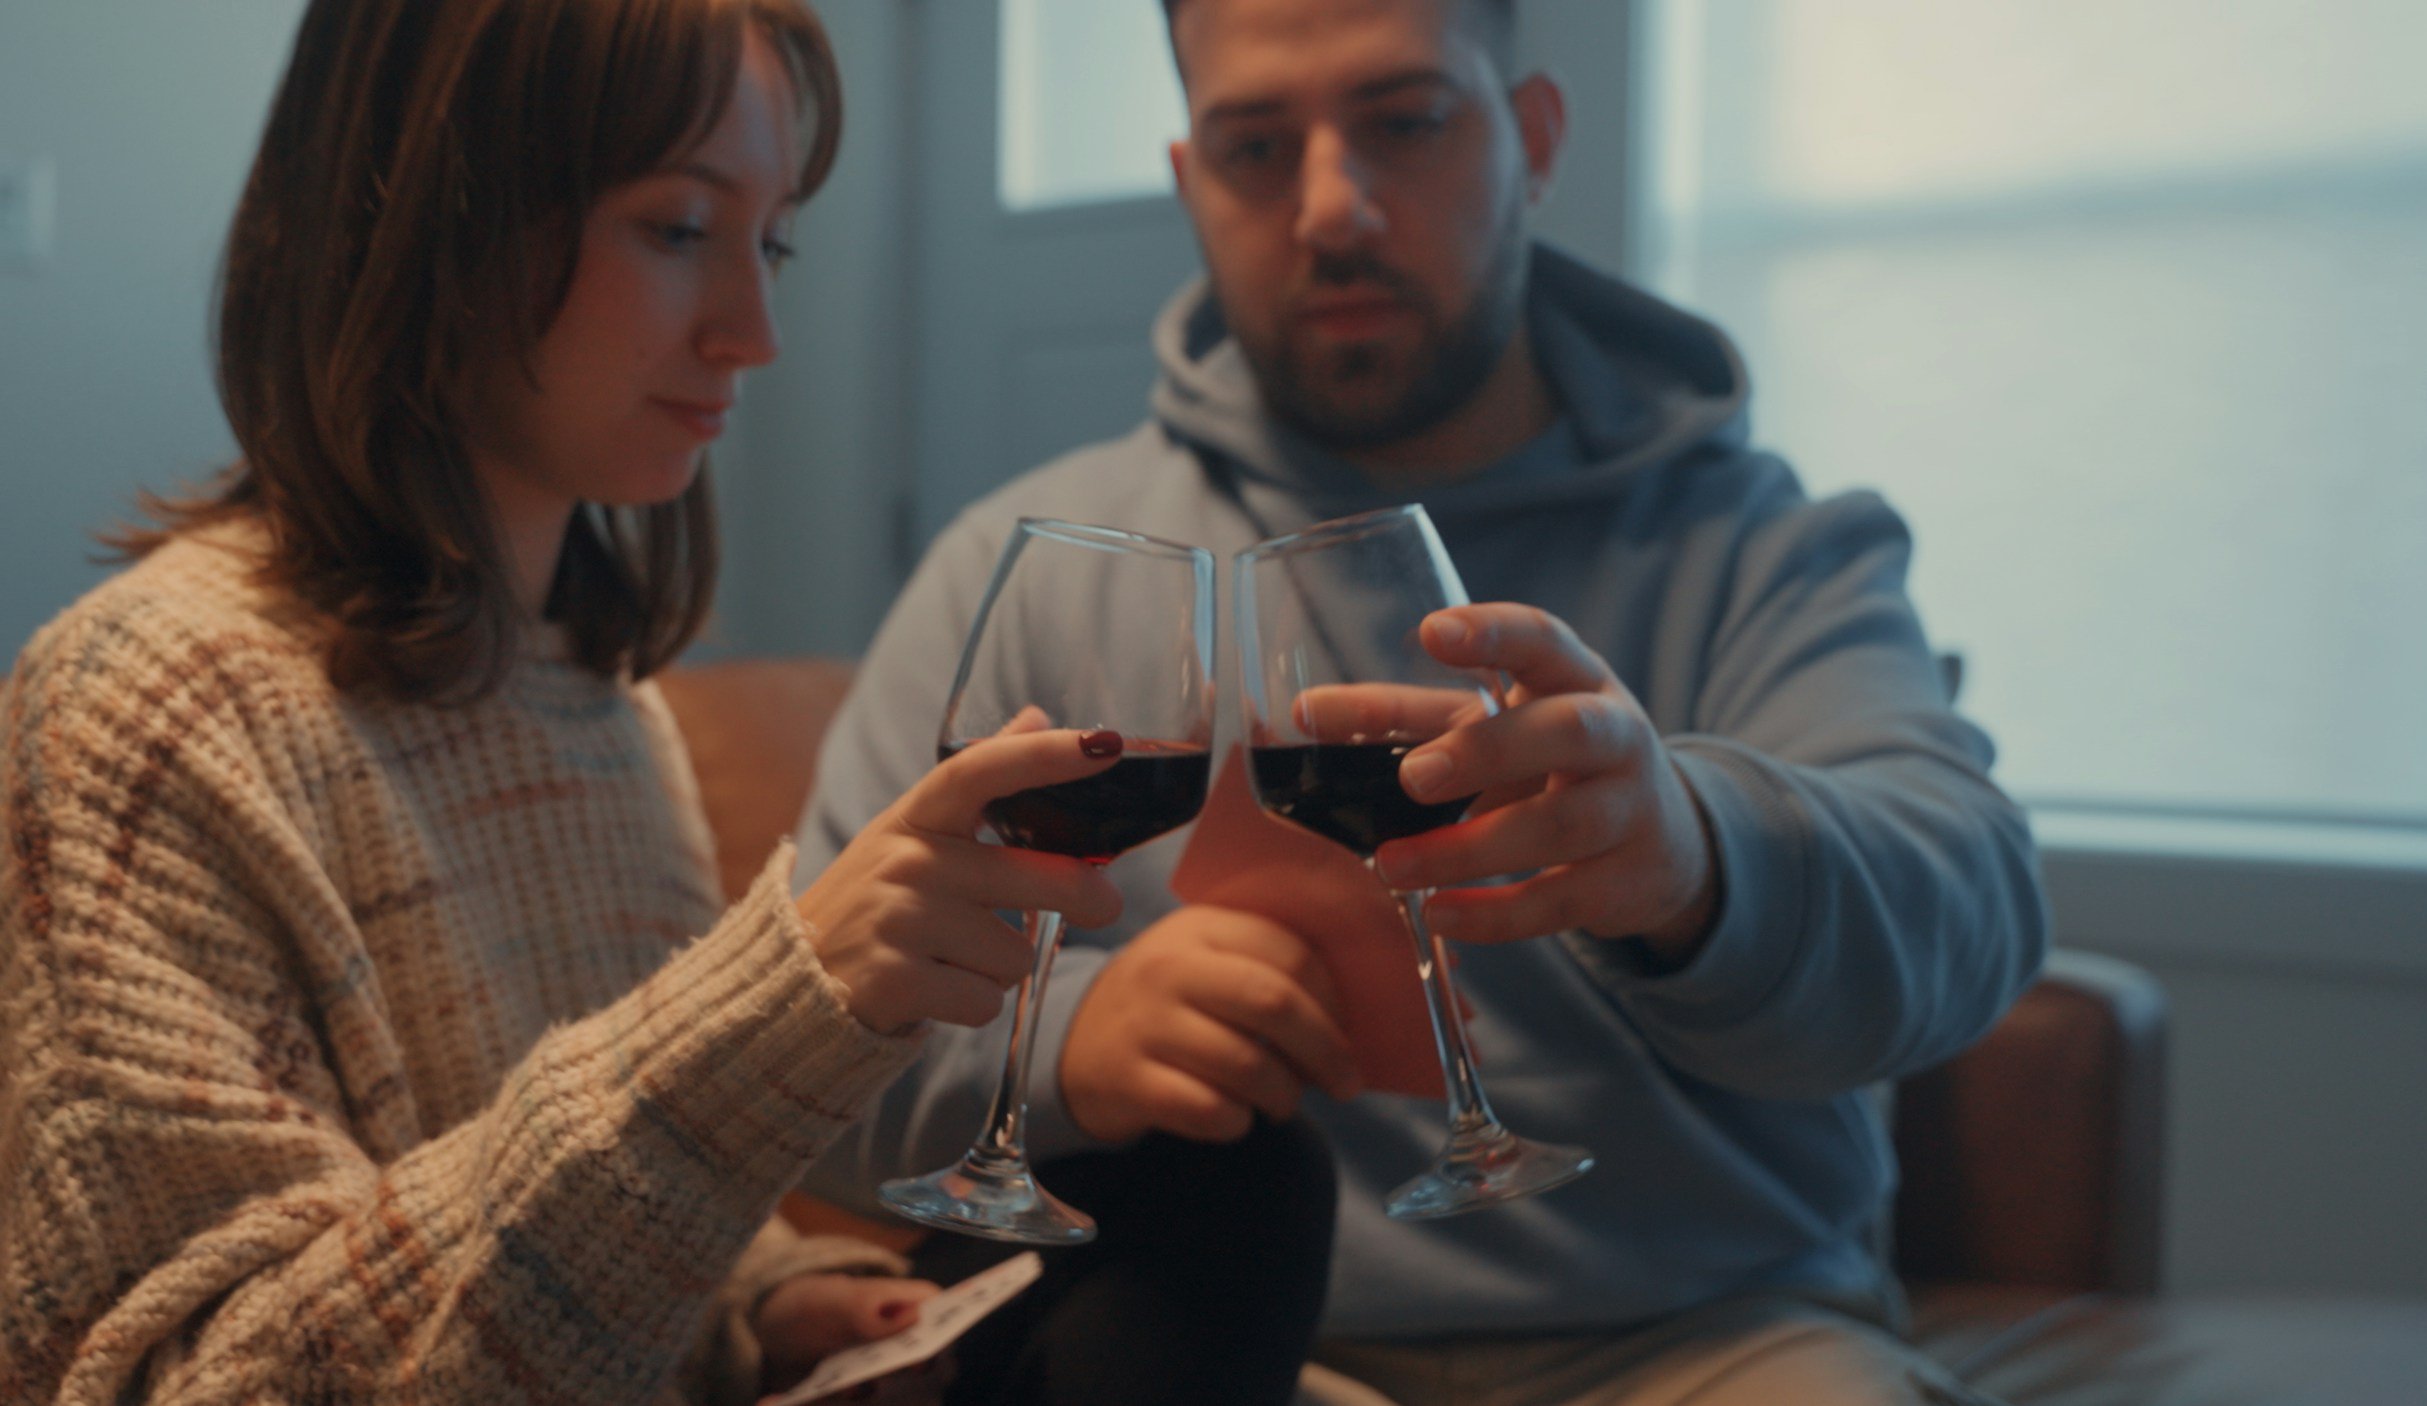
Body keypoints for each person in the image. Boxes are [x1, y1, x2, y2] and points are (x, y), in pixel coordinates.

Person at [0, 1, 1288, 1401]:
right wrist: (763, 1025)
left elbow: (579, 1223)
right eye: (679, 229)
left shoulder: (599, 699)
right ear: (432, 219)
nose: (755, 332)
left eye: (771, 243)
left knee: (1228, 1185)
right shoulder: (145, 708)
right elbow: (186, 1379)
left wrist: (766, 1303)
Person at [795, 0, 2046, 1403]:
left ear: (1533, 139)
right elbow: (799, 1044)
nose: (1332, 207)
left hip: (1712, 1341)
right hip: (1231, 1343)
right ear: (1190, 181)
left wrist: (1697, 853)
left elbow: (1976, 913)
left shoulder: (1760, 545)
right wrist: (1075, 1043)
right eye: (1255, 147)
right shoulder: (1027, 564)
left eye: (1406, 121)